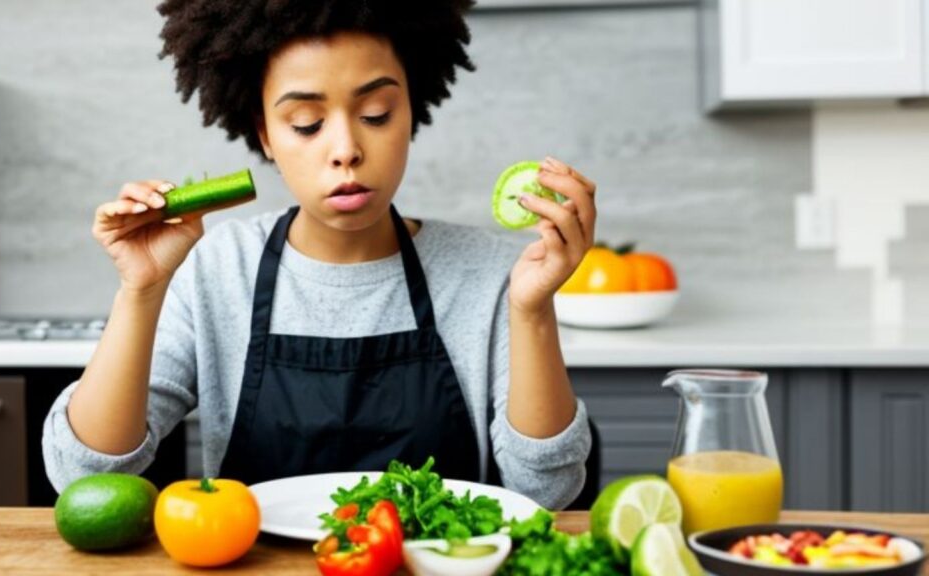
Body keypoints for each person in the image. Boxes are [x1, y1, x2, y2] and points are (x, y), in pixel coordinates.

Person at [43, 0, 597, 510]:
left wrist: (533, 310)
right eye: (306, 124)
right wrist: (140, 292)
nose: (346, 150)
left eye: (377, 113)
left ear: (412, 112)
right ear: (264, 134)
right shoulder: (217, 268)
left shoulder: (490, 273)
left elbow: (546, 489)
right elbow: (84, 473)